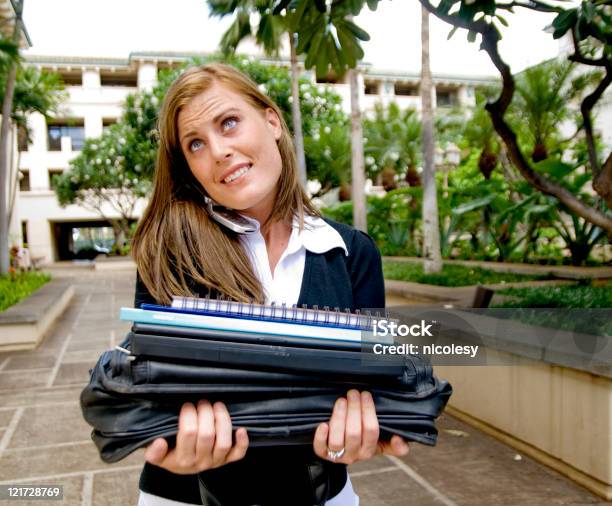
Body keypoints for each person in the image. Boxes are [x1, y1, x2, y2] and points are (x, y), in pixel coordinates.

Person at [131, 62, 410, 506]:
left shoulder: (352, 252)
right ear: (188, 166)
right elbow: (147, 392)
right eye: (196, 144)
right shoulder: (169, 252)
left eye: (229, 123)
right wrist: (164, 444)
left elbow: (372, 381)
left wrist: (361, 429)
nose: (219, 150)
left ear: (272, 121)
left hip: (323, 494)